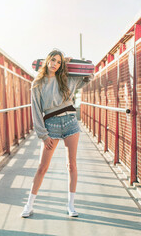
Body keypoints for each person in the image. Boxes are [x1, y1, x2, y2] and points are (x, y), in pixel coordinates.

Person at [21, 50, 93, 218]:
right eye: (53, 60)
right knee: (42, 167)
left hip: (70, 122)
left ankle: (71, 205)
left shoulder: (66, 78)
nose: (55, 64)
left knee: (72, 165)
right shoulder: (37, 84)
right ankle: (29, 205)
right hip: (51, 125)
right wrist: (43, 135)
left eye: (59, 62)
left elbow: (87, 76)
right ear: (47, 60)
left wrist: (73, 63)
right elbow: (36, 111)